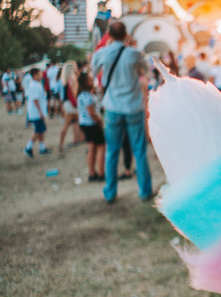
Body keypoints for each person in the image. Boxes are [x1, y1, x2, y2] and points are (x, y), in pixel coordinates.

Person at [91, 21, 152, 204]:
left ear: (108, 35)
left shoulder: (102, 53)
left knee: (112, 152)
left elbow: (94, 71)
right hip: (134, 107)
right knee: (139, 151)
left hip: (113, 108)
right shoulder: (134, 53)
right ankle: (145, 191)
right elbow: (146, 70)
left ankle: (110, 192)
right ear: (126, 35)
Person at [76, 70, 106, 182]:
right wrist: (99, 120)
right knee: (100, 148)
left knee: (91, 148)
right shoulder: (88, 96)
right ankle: (101, 173)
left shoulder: (80, 96)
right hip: (92, 124)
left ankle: (92, 173)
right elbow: (91, 111)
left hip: (84, 124)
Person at [24, 68, 51, 157]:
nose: (41, 76)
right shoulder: (34, 85)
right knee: (38, 131)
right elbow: (35, 100)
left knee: (41, 131)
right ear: (35, 75)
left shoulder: (37, 84)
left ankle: (42, 148)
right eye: (39, 74)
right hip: (36, 113)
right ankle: (28, 147)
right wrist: (40, 112)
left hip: (38, 112)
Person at [57, 61, 84, 153]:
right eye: (75, 66)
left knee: (74, 122)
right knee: (69, 124)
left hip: (67, 104)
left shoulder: (65, 79)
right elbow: (74, 94)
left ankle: (77, 138)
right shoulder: (72, 78)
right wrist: (78, 104)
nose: (76, 68)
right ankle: (61, 144)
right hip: (72, 104)